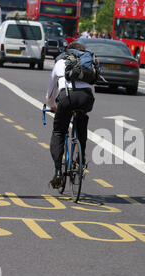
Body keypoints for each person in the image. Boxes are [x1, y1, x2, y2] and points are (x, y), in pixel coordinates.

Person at [45, 41, 95, 188]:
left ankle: (58, 172)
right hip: (86, 98)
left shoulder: (60, 62)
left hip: (67, 97)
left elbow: (50, 92)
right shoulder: (88, 63)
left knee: (59, 132)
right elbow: (92, 89)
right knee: (81, 124)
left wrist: (52, 106)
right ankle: (80, 158)